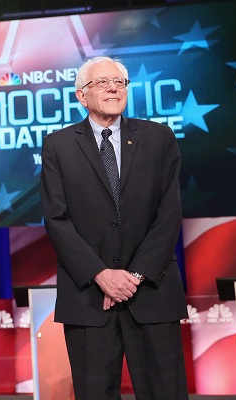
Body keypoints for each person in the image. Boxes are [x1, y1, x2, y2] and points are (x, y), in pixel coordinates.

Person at [40, 55, 189, 400]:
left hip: (151, 291)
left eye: (119, 82)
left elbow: (168, 214)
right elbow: (56, 218)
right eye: (101, 82)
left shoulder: (159, 137)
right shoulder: (58, 146)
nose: (112, 88)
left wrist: (134, 275)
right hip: (89, 298)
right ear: (81, 95)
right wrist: (101, 274)